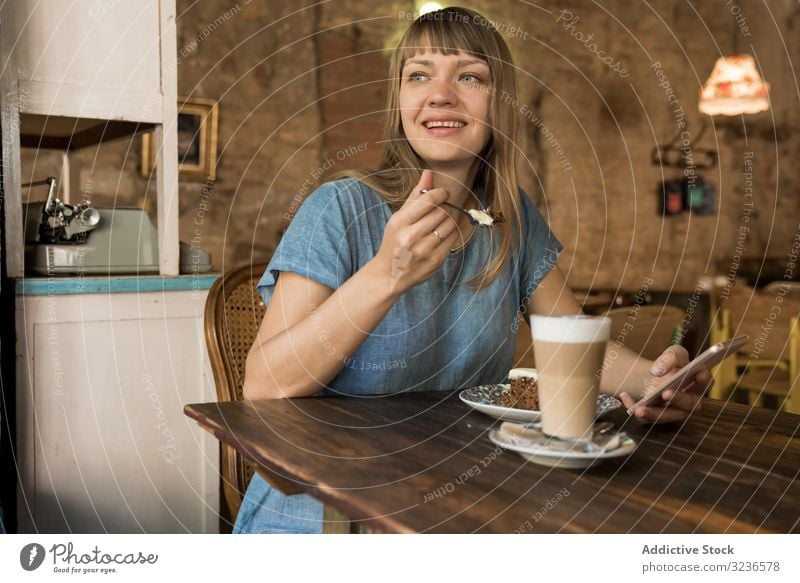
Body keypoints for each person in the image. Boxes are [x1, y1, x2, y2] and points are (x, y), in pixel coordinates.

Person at [235, 6, 713, 534]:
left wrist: (659, 381)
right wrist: (386, 275)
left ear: (499, 105)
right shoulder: (340, 208)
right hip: (328, 512)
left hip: (458, 500)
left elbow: (574, 347)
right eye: (418, 75)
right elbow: (265, 386)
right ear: (400, 104)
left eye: (469, 76)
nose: (440, 94)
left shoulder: (513, 220)